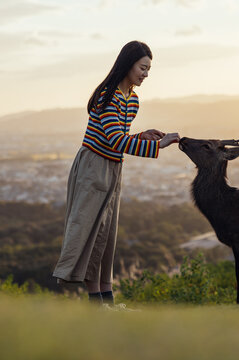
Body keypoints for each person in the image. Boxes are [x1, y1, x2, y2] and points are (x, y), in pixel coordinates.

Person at [52, 41, 180, 305]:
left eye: (148, 69)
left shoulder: (131, 100)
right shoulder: (108, 96)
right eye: (143, 67)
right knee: (90, 230)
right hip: (94, 167)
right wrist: (157, 145)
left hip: (112, 167)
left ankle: (105, 300)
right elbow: (114, 141)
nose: (146, 74)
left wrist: (142, 136)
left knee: (106, 235)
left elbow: (118, 138)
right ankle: (97, 303)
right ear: (128, 64)